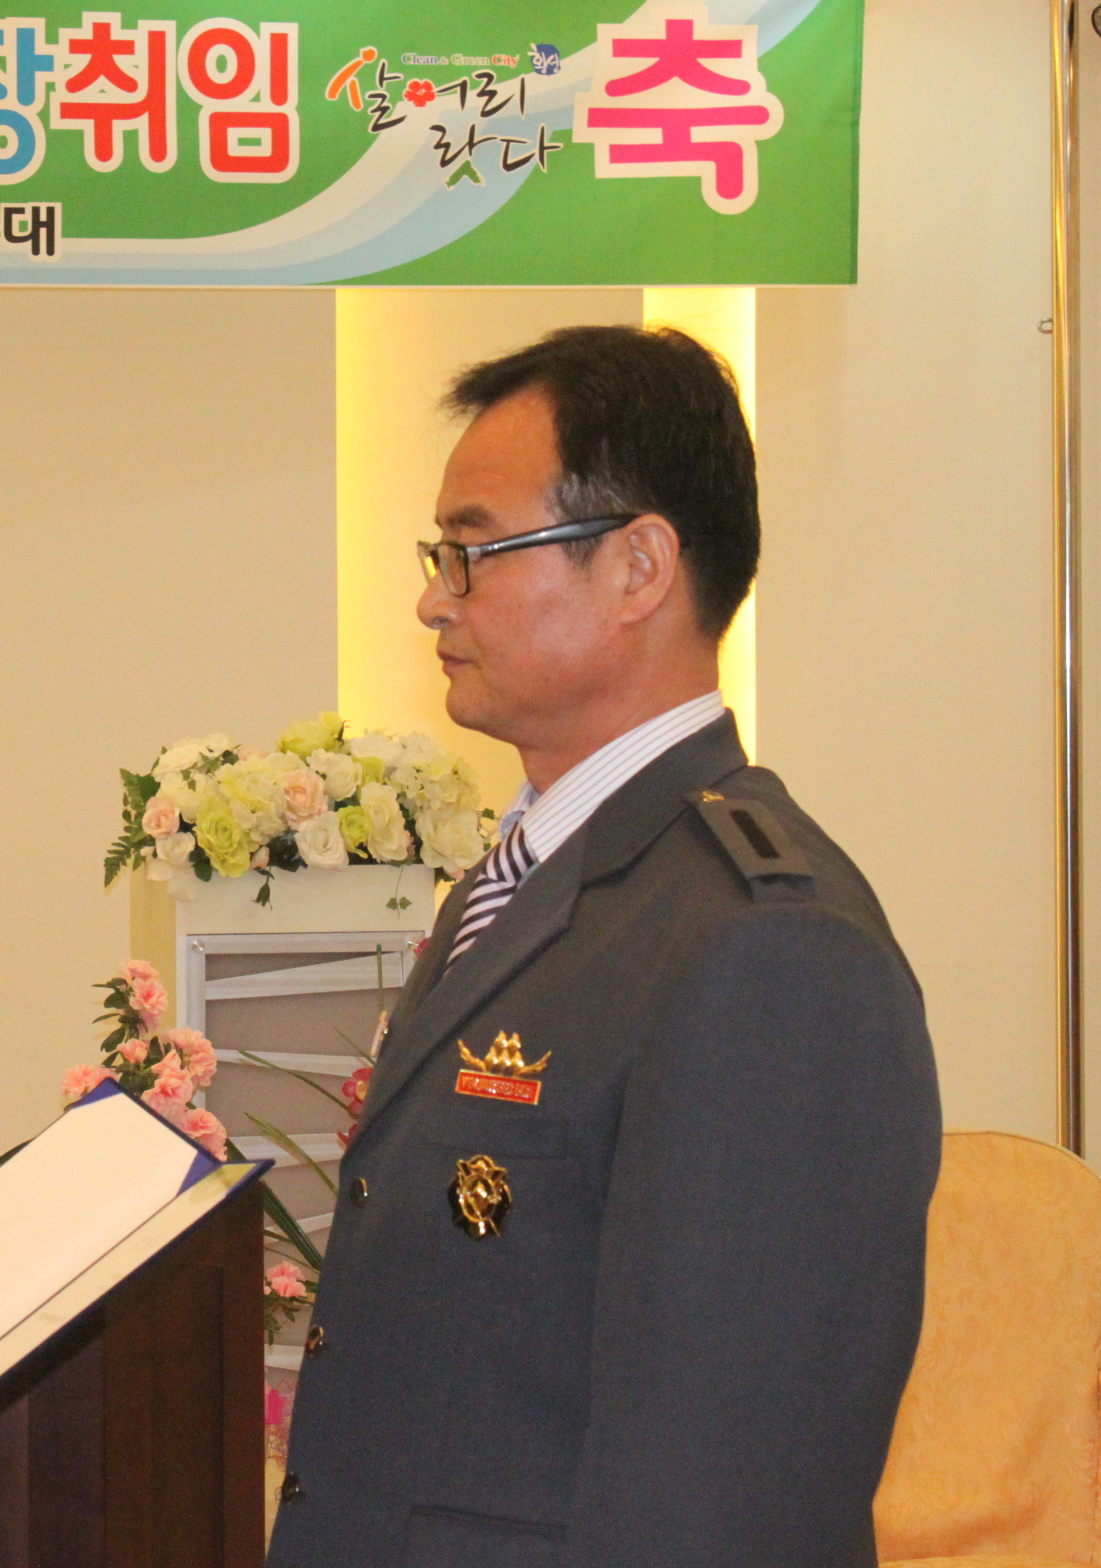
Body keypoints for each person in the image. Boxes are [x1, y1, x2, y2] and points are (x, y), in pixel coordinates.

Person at [266, 327, 942, 1568]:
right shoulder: (537, 879)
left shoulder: (766, 946)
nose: (433, 597)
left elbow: (731, 1496)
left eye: (472, 550)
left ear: (638, 566)